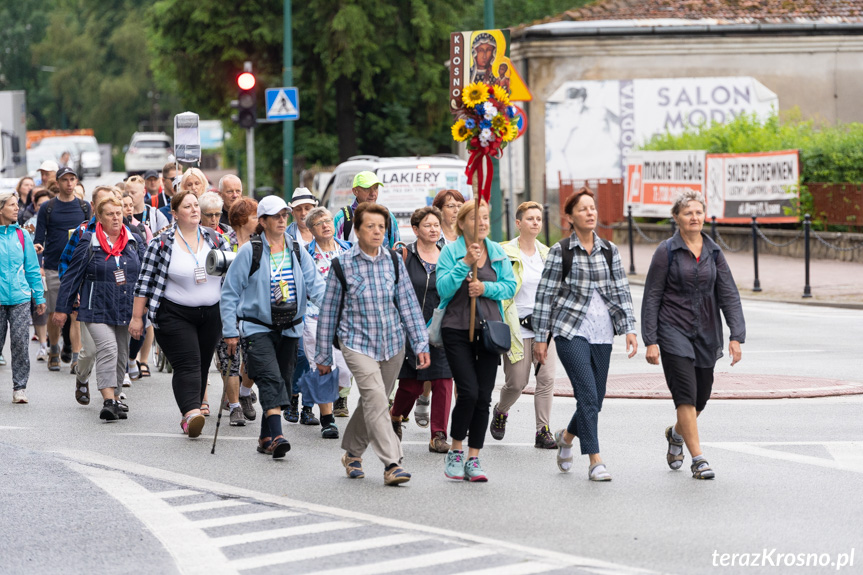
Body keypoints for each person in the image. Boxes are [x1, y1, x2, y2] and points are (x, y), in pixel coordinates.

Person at [315, 202, 429, 485]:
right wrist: (323, 357)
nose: (378, 231)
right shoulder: (342, 265)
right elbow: (328, 311)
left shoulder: (392, 261)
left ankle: (352, 454)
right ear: (357, 230)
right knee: (377, 400)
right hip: (356, 343)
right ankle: (393, 463)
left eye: (382, 226)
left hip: (392, 343)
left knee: (372, 400)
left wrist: (421, 343)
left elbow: (408, 304)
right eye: (371, 226)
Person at [533, 187, 638, 482]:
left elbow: (621, 290)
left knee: (596, 399)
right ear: (570, 217)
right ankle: (595, 460)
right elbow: (545, 296)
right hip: (570, 329)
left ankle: (566, 437)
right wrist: (541, 338)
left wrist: (629, 327)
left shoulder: (609, 250)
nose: (590, 213)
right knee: (587, 395)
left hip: (603, 331)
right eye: (583, 209)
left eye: (592, 208)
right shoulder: (561, 251)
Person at [642, 191, 745, 481]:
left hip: (707, 332)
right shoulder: (666, 251)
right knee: (685, 394)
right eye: (688, 212)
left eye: (699, 212)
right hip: (673, 329)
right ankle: (698, 459)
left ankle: (676, 433)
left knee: (700, 397)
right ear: (677, 217)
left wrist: (736, 334)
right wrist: (651, 339)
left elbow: (728, 293)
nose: (694, 217)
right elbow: (652, 296)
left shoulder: (713, 251)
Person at [220, 196, 326, 458]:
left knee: (285, 381)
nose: (282, 219)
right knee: (269, 377)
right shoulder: (250, 250)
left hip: (291, 327)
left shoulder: (297, 249)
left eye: (285, 215)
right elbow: (230, 293)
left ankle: (265, 437)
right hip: (257, 327)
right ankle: (278, 436)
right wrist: (230, 331)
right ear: (263, 221)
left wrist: (337, 312)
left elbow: (317, 287)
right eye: (276, 216)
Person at [131, 190, 229, 438]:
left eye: (196, 205)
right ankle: (191, 414)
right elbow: (144, 282)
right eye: (188, 206)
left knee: (203, 364)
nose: (195, 210)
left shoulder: (216, 240)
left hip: (211, 314)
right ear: (174, 214)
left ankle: (192, 408)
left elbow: (232, 278)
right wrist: (137, 317)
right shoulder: (161, 243)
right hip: (173, 313)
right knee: (188, 364)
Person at [436, 200, 516, 482]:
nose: (482, 223)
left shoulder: (495, 251)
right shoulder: (451, 251)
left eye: (485, 217)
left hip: (489, 331)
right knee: (468, 391)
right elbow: (442, 287)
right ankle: (455, 450)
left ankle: (474, 457)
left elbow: (510, 285)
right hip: (456, 329)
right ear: (461, 223)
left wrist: (485, 287)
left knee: (483, 397)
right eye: (475, 219)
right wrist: (465, 265)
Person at [55, 195, 144, 421]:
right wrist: (62, 308)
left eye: (118, 213)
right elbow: (72, 276)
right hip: (95, 307)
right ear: (99, 218)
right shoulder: (89, 240)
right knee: (108, 349)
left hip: (125, 306)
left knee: (122, 354)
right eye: (109, 214)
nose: (115, 218)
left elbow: (145, 275)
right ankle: (108, 400)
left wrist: (144, 310)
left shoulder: (134, 239)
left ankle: (114, 397)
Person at [492, 201, 557, 449]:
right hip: (516, 327)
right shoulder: (503, 252)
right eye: (530, 219)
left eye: (538, 219)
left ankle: (543, 431)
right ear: (518, 223)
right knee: (517, 382)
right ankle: (501, 410)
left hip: (543, 327)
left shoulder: (547, 254)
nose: (535, 223)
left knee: (546, 379)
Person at [390, 206, 454, 453]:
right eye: (427, 225)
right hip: (407, 329)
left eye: (436, 225)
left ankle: (438, 434)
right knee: (412, 386)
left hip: (440, 329)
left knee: (443, 381)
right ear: (415, 229)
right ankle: (396, 415)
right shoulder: (403, 255)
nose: (433, 229)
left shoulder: (448, 257)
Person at [57, 186, 124, 402]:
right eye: (104, 205)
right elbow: (66, 265)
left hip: (117, 301)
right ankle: (82, 376)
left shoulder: (125, 231)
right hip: (90, 300)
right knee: (92, 349)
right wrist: (73, 293)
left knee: (115, 349)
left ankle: (113, 394)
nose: (112, 212)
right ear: (94, 207)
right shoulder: (83, 232)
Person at [33, 167, 91, 372]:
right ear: (57, 182)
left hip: (77, 268)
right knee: (54, 313)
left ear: (76, 181)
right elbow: (39, 239)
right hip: (52, 267)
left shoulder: (85, 207)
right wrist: (38, 256)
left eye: (72, 179)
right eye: (64, 179)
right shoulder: (47, 208)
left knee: (75, 313)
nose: (68, 183)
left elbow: (91, 236)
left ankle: (76, 356)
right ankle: (54, 348)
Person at [302, 206, 352, 438]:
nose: (325, 225)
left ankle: (313, 393)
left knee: (343, 372)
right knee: (323, 368)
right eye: (319, 222)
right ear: (311, 229)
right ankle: (327, 419)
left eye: (328, 220)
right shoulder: (305, 253)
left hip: (346, 318)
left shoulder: (348, 249)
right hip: (315, 317)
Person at [0, 190, 46, 404]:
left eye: (17, 204)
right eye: (11, 205)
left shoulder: (22, 235)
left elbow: (32, 268)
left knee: (20, 342)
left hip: (20, 297)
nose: (17, 208)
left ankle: (20, 388)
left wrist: (39, 297)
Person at [284, 188, 320, 423]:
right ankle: (293, 399)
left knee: (316, 356)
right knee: (299, 355)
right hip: (294, 306)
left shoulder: (325, 232)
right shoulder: (286, 235)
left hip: (319, 307)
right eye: (299, 209)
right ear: (292, 212)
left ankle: (308, 407)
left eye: (308, 208)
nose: (304, 213)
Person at [227, 197, 260, 421]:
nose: (260, 221)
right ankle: (234, 405)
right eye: (256, 217)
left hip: (253, 309)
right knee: (229, 359)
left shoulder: (261, 243)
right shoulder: (224, 242)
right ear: (241, 220)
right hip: (229, 307)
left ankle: (245, 390)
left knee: (255, 359)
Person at [333, 172, 400, 248]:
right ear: (355, 191)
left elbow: (397, 248)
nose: (373, 193)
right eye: (367, 189)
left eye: (375, 188)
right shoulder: (342, 217)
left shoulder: (387, 215)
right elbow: (335, 250)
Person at [22, 188, 51, 362]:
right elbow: (26, 245)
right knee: (40, 305)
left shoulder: (57, 219)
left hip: (54, 266)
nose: (43, 208)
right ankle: (43, 344)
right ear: (35, 206)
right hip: (37, 269)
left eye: (46, 205)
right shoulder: (31, 223)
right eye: (40, 205)